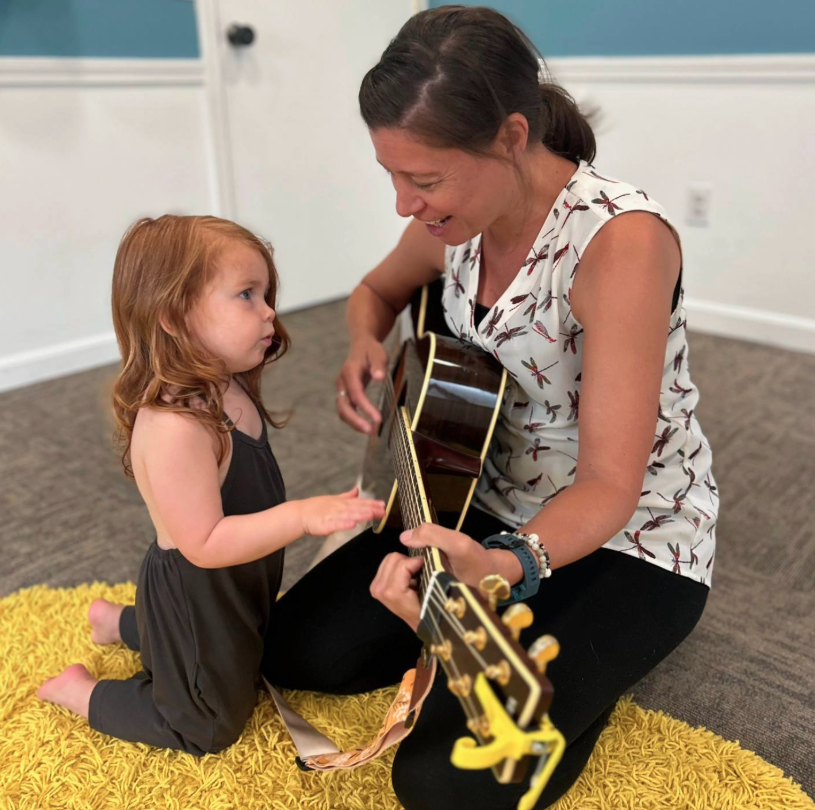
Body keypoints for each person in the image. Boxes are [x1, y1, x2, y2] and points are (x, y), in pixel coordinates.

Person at [264, 6, 718, 808]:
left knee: (441, 785)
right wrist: (364, 342)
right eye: (392, 177)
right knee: (297, 651)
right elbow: (374, 291)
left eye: (424, 178)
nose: (405, 204)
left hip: (627, 536)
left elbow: (611, 486)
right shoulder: (455, 220)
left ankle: (589, 659)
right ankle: (503, 647)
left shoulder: (620, 244)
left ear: (512, 136)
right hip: (474, 495)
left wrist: (504, 567)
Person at [36, 215, 385, 755]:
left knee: (251, 642)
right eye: (246, 294)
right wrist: (302, 516)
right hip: (198, 591)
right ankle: (81, 692)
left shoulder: (228, 383)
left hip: (239, 575)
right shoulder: (176, 426)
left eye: (266, 292)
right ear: (173, 317)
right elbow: (202, 545)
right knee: (207, 724)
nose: (269, 310)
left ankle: (119, 623)